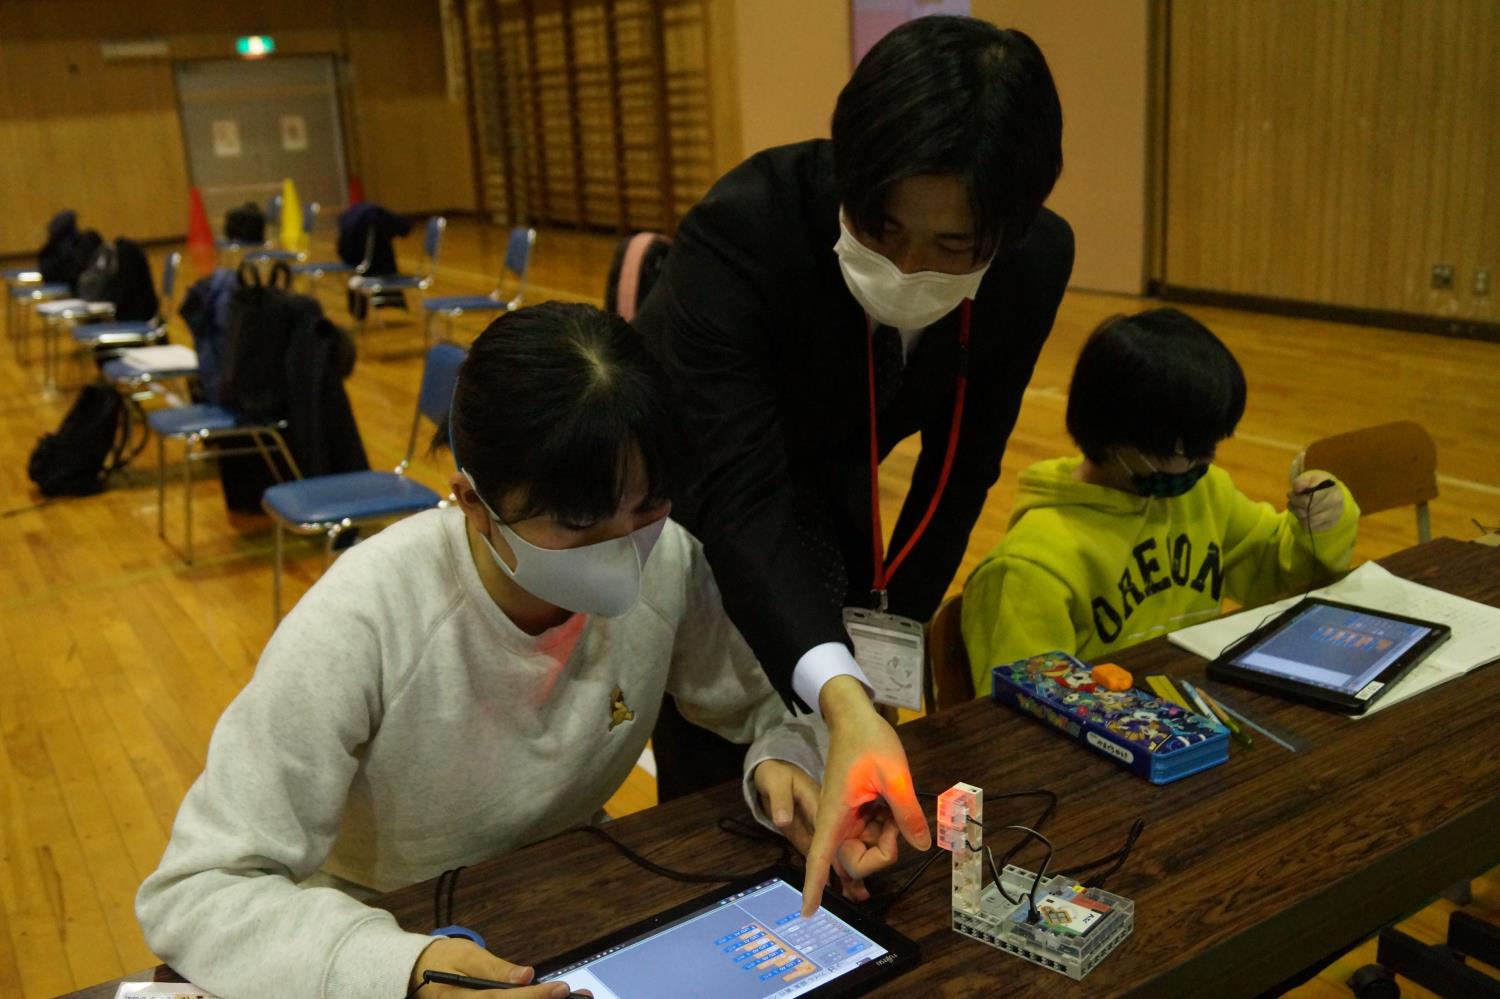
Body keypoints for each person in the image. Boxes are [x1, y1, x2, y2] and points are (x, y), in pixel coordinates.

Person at [135, 303, 858, 999]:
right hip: (374, 923)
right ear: (473, 503)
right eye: (578, 522)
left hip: (568, 897)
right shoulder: (365, 620)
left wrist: (787, 758)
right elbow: (198, 888)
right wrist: (402, 969)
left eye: (647, 506)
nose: (623, 547)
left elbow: (780, 705)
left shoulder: (666, 563)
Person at [633, 15, 1073, 915]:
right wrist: (838, 695)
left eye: (955, 249)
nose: (909, 266)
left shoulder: (1033, 263)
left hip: (834, 473)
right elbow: (740, 497)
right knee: (718, 737)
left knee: (830, 725)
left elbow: (963, 468)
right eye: (883, 229)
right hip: (694, 484)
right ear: (850, 175)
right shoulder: (744, 230)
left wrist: (871, 679)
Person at [961, 308, 1360, 693]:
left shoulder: (1206, 494)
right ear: (1117, 437)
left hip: (1190, 712)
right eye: (1185, 451)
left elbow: (1280, 574)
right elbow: (1022, 712)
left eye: (1212, 445)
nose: (1204, 462)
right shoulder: (1028, 570)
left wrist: (1320, 521)